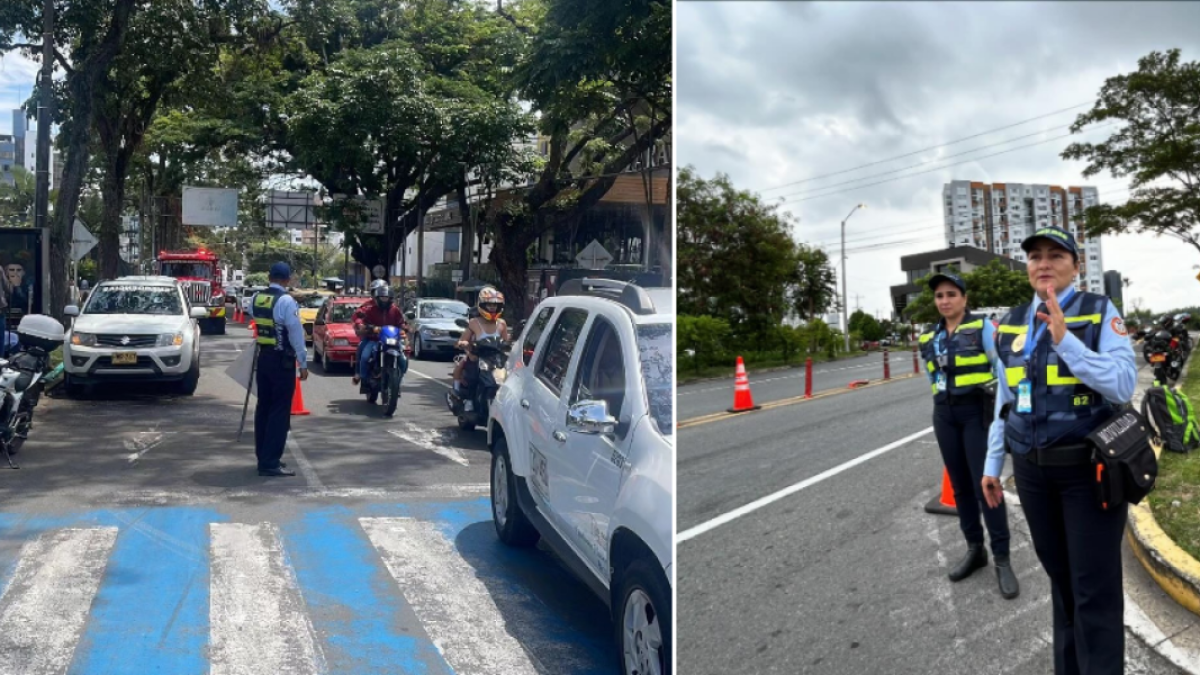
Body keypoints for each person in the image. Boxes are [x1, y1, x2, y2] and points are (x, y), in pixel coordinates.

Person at [981, 226, 1136, 675]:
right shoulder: (1010, 322)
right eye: (1035, 256)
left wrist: (1067, 341)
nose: (1044, 263)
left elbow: (1123, 384)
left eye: (1055, 255)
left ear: (1075, 265)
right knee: (1062, 583)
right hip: (1032, 474)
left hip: (1088, 473)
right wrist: (993, 462)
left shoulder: (1098, 311)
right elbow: (1006, 399)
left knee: (1094, 590)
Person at [918, 272, 1018, 599]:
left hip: (977, 413)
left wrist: (1003, 413)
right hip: (944, 414)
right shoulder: (929, 336)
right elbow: (934, 376)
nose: (945, 300)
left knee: (985, 484)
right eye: (939, 296)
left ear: (964, 298)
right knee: (960, 487)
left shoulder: (983, 328)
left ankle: (1002, 557)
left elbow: (1001, 370)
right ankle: (975, 548)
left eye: (951, 294)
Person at [251, 262, 308, 477]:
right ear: (286, 280)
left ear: (269, 277)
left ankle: (263, 455)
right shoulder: (286, 301)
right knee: (279, 411)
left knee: (263, 408)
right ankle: (270, 462)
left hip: (264, 357)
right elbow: (295, 334)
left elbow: (256, 321)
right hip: (282, 361)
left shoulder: (256, 298)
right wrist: (303, 362)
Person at [452, 286, 509, 394]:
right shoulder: (474, 322)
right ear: (482, 305)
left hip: (496, 360)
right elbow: (463, 340)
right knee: (463, 370)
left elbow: (506, 342)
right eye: (489, 304)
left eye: (495, 305)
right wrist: (464, 344)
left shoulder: (502, 323)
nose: (492, 307)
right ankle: (458, 392)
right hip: (476, 357)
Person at [351, 283, 407, 389]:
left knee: (403, 359)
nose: (384, 299)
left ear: (390, 298)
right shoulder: (370, 309)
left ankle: (398, 378)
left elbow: (401, 322)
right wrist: (367, 327)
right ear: (376, 297)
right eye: (382, 297)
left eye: (386, 297)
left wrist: (404, 328)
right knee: (365, 356)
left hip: (392, 340)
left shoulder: (395, 310)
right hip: (374, 339)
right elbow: (362, 320)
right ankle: (363, 377)